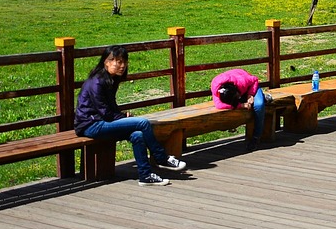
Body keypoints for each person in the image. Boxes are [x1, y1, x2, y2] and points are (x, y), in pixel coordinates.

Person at [74, 44, 187, 186]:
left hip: (103, 123)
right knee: (143, 123)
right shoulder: (97, 82)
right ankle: (162, 158)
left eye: (125, 62)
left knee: (137, 135)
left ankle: (145, 176)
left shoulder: (111, 79)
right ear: (106, 62)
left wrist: (122, 116)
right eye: (119, 62)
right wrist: (123, 117)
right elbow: (105, 113)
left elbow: (111, 108)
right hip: (90, 125)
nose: (123, 66)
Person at [211, 67, 269, 149]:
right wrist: (241, 105)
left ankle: (256, 137)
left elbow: (254, 80)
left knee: (259, 105)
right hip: (239, 91)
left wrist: (250, 94)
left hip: (250, 86)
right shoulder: (217, 91)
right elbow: (219, 105)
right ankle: (263, 97)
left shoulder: (242, 81)